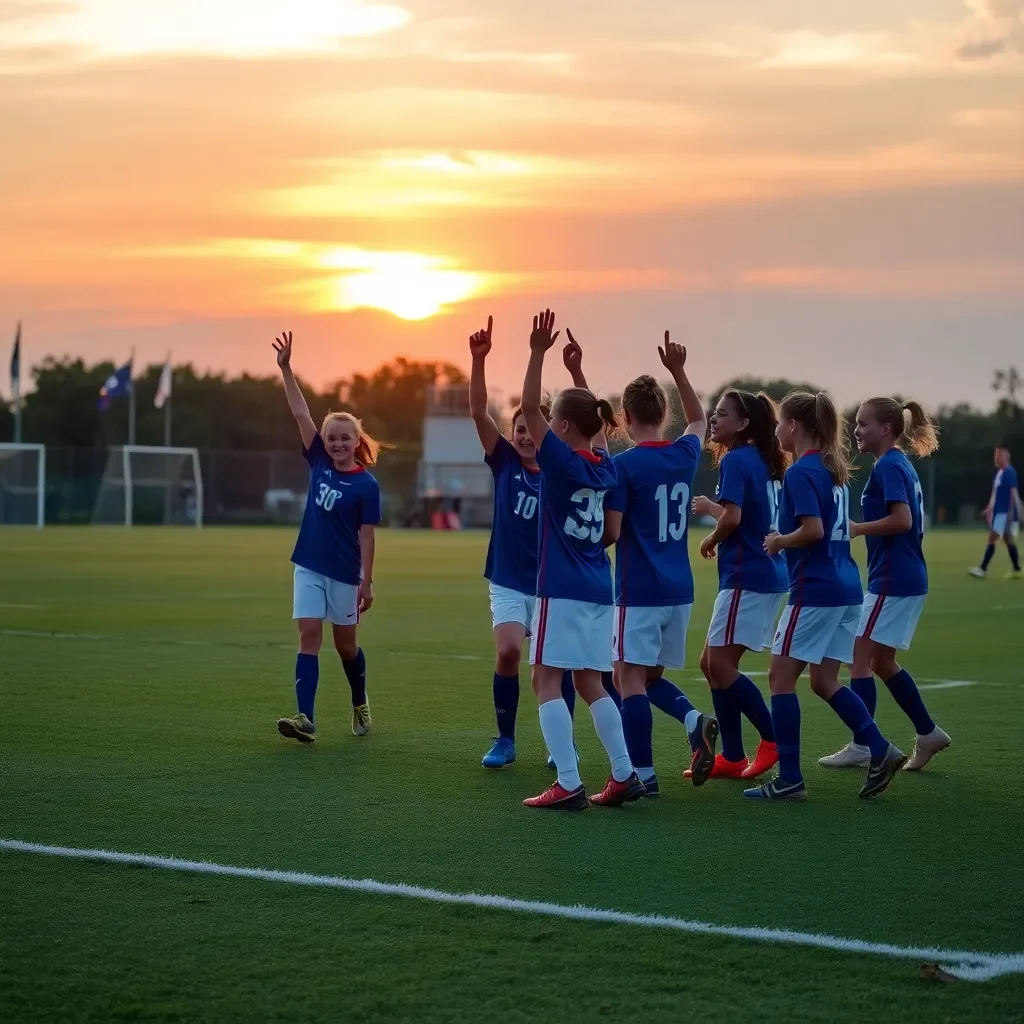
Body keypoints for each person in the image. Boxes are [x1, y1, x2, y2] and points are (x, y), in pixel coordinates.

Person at [743, 391, 905, 802]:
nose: (777, 428)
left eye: (781, 422)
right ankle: (879, 748)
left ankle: (791, 779)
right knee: (824, 679)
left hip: (816, 591)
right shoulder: (832, 470)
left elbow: (812, 530)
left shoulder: (800, 472)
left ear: (794, 427)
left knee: (780, 679)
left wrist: (780, 541)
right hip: (846, 587)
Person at [520, 310, 643, 810]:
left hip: (563, 586)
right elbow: (599, 428)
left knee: (544, 679)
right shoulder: (603, 465)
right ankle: (623, 772)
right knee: (590, 682)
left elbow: (528, 407)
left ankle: (568, 781)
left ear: (564, 426)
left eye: (554, 421)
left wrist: (536, 352)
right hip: (598, 585)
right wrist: (576, 375)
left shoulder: (564, 460)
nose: (544, 426)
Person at [600, 332, 718, 796]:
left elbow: (612, 532)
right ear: (662, 415)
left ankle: (643, 774)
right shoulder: (683, 455)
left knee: (626, 678)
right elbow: (698, 418)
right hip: (678, 591)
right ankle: (692, 720)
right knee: (646, 678)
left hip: (639, 590)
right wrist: (679, 370)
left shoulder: (625, 467)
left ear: (626, 418)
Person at [468, 316, 578, 769]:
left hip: (553, 581)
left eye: (534, 430)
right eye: (519, 430)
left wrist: (571, 372)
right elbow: (478, 412)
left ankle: (560, 745)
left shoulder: (560, 470)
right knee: (510, 651)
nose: (526, 436)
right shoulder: (504, 464)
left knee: (555, 664)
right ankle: (505, 739)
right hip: (510, 579)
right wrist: (478, 361)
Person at [819, 397, 950, 772]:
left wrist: (858, 528)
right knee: (881, 661)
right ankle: (927, 733)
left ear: (887, 429)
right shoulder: (896, 464)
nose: (856, 430)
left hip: (893, 579)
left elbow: (903, 520)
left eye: (863, 424)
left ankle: (864, 744)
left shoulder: (889, 466)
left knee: (859, 658)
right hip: (904, 576)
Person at [272, 331, 387, 744]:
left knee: (346, 647)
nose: (337, 443)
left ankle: (359, 698)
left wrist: (366, 581)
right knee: (308, 636)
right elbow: (301, 413)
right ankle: (305, 717)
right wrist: (286, 369)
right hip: (309, 565)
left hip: (344, 573)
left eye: (345, 438)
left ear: (357, 443)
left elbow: (368, 536)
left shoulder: (366, 486)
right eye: (332, 437)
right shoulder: (318, 459)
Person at [691, 389, 788, 781]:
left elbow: (731, 519)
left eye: (722, 414)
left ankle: (772, 738)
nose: (714, 419)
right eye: (713, 413)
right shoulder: (765, 460)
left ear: (744, 424)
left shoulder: (736, 459)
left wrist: (709, 539)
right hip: (765, 574)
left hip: (749, 575)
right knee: (709, 663)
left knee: (720, 665)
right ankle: (731, 755)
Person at [969, 446, 1022, 580]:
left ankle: (982, 569)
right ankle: (1017, 569)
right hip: (999, 512)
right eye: (995, 455)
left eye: (998, 456)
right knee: (1008, 540)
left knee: (992, 538)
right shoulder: (1000, 473)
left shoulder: (1009, 472)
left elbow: (1013, 494)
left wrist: (1013, 513)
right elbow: (995, 493)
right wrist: (989, 508)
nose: (995, 458)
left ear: (1005, 457)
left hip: (1004, 513)